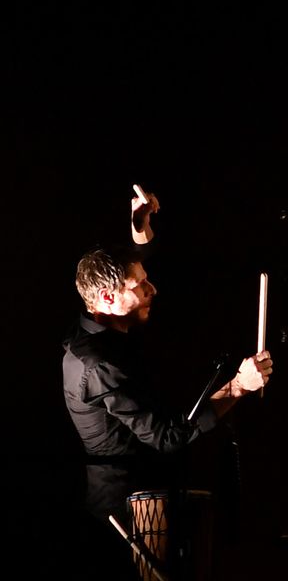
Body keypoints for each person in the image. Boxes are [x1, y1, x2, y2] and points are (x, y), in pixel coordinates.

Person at [62, 186, 273, 525]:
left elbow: (130, 265)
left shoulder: (96, 316)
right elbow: (167, 436)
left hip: (143, 486)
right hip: (126, 506)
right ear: (107, 298)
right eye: (140, 286)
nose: (152, 289)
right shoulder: (99, 365)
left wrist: (139, 225)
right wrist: (237, 387)